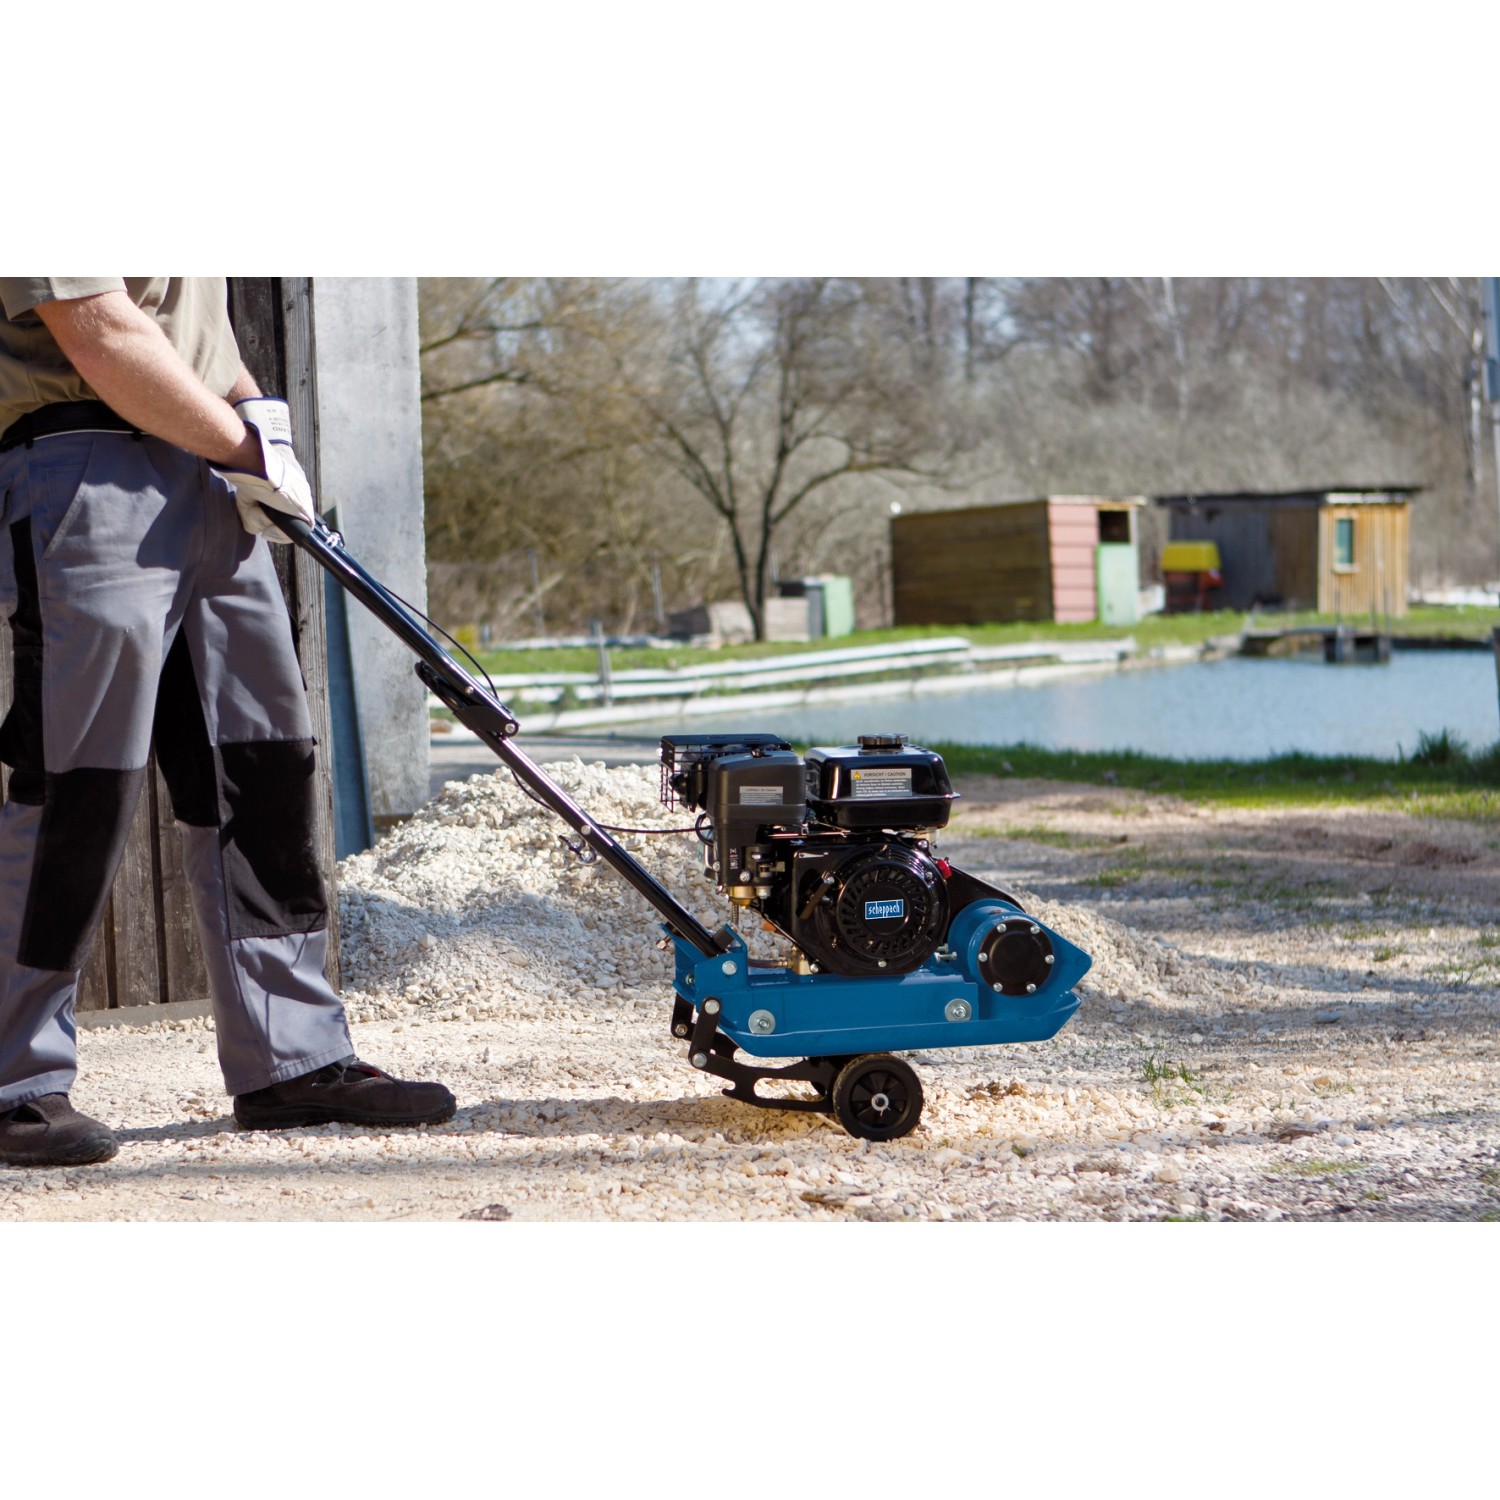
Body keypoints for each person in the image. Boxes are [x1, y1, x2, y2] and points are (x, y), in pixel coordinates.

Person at [0, 278, 454, 1168]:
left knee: (263, 771)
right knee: (74, 787)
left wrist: (263, 426)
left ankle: (293, 1056)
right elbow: (99, 332)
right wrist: (245, 443)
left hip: (211, 471)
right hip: (85, 465)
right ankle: (15, 1076)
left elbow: (200, 340)